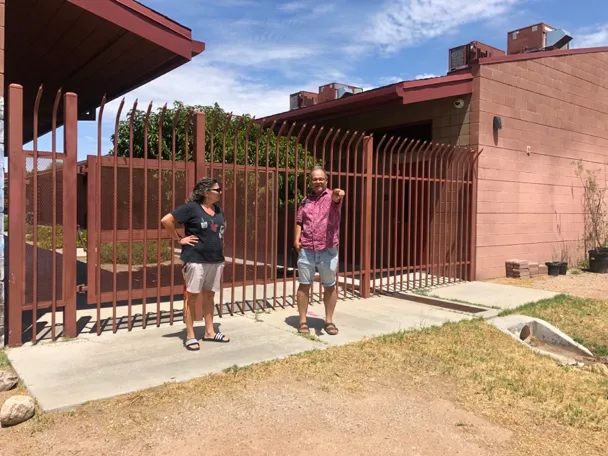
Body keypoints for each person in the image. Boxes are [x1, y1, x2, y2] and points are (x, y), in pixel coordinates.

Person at [161, 177, 230, 351]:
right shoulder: (191, 208)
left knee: (209, 296)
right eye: (217, 190)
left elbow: (219, 229)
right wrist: (179, 239)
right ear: (207, 193)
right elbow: (166, 220)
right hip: (195, 260)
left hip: (215, 260)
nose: (220, 192)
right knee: (191, 297)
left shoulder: (217, 209)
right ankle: (190, 335)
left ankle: (210, 331)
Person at [294, 166, 345, 335]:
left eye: (320, 179)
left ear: (326, 180)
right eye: (315, 179)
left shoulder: (332, 197)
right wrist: (296, 239)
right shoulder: (305, 201)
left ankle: (328, 321)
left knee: (330, 286)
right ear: (311, 181)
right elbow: (299, 221)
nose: (318, 181)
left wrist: (338, 194)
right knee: (304, 285)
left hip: (327, 250)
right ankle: (302, 322)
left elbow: (338, 198)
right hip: (307, 249)